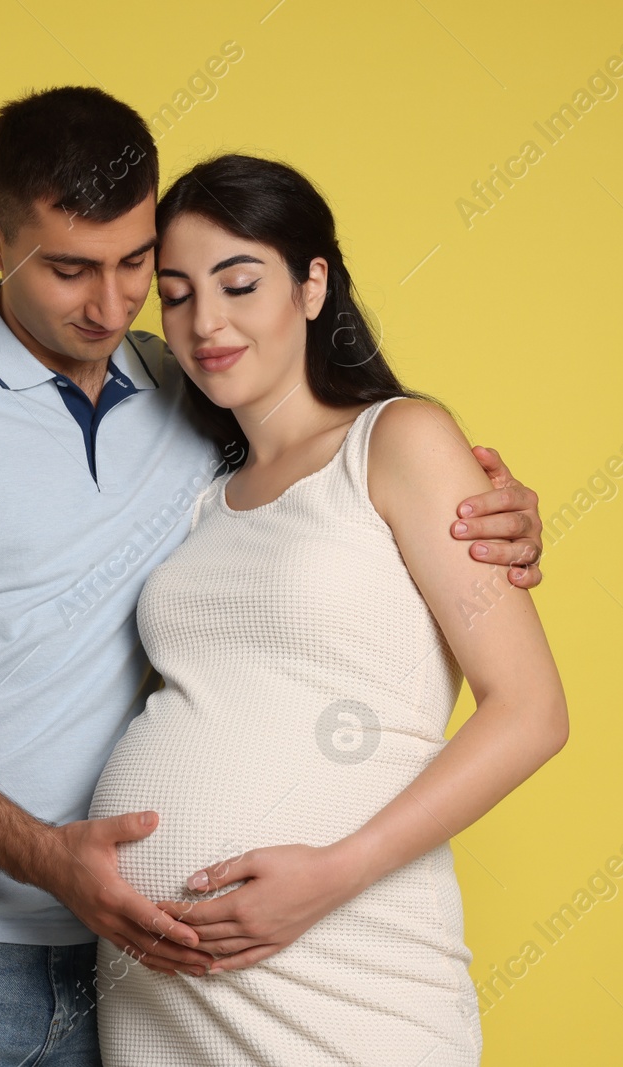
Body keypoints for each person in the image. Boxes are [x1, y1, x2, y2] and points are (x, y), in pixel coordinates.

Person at [0, 87, 547, 1067]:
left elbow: (352, 500)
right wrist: (47, 857)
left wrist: (497, 514)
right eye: (70, 269)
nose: (115, 307)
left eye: (136, 265)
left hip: (142, 960)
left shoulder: (185, 398)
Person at [87, 153, 569, 1066]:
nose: (205, 322)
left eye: (239, 283)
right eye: (177, 295)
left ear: (313, 285)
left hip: (346, 970)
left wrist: (328, 876)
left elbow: (533, 711)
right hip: (165, 1009)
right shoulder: (201, 491)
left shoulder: (399, 441)